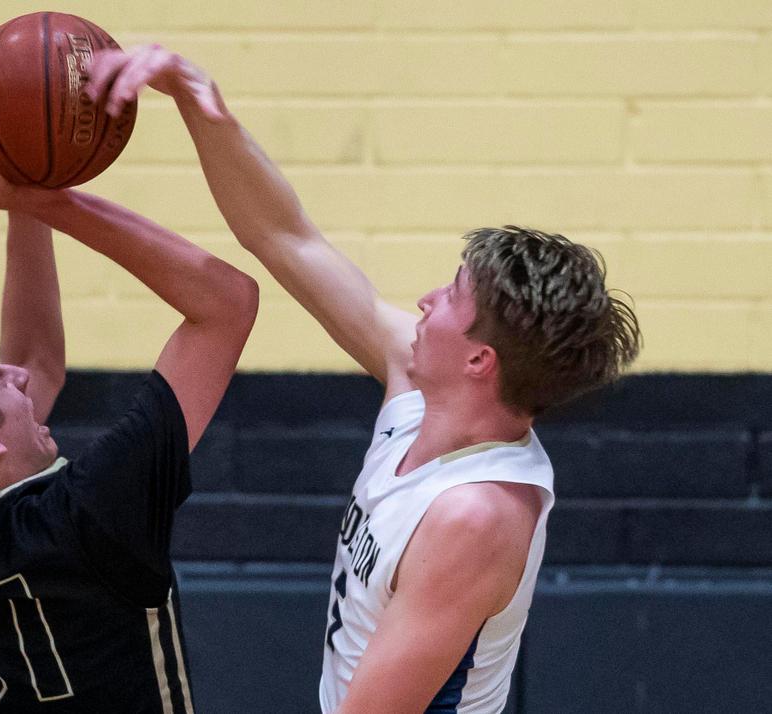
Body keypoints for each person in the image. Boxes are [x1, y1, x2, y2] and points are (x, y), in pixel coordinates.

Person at [88, 48, 642, 713]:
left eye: (452, 294)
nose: (427, 299)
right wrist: (195, 99)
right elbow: (283, 236)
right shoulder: (417, 382)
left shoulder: (475, 515)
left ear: (479, 361)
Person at [0, 76, 258, 713]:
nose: (18, 376)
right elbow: (227, 303)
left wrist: (16, 193)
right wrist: (49, 200)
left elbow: (34, 364)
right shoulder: (92, 516)